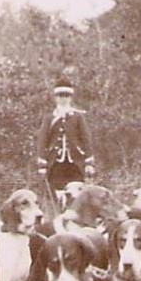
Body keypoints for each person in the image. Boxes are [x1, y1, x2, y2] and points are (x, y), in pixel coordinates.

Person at [35, 75, 96, 209]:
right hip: (55, 163)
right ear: (56, 97)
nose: (63, 99)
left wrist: (89, 163)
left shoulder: (77, 117)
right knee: (55, 196)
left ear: (70, 97)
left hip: (75, 163)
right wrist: (42, 164)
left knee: (76, 195)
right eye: (60, 95)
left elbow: (86, 140)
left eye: (66, 95)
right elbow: (42, 141)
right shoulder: (50, 118)